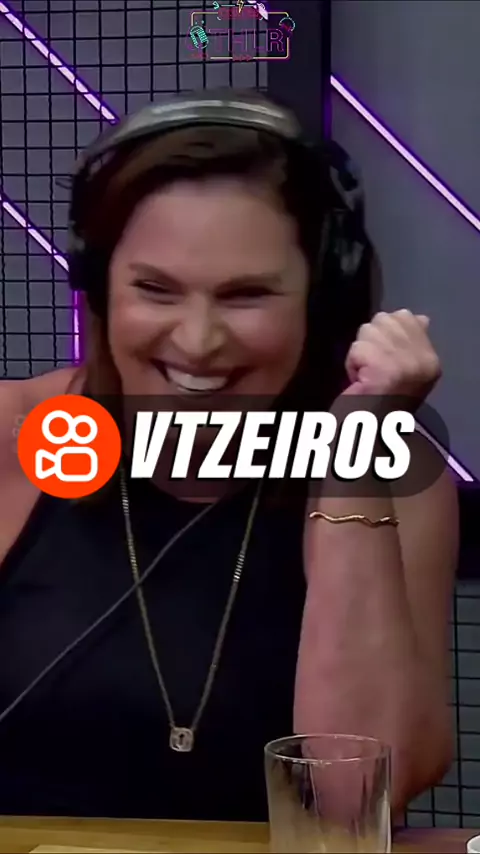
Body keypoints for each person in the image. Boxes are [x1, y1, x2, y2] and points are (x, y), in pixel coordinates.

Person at [0, 89, 457, 822]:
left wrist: (350, 457)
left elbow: (355, 797)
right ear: (98, 289)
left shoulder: (391, 472)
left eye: (246, 296)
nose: (198, 341)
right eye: (155, 290)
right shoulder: (14, 435)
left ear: (322, 297)